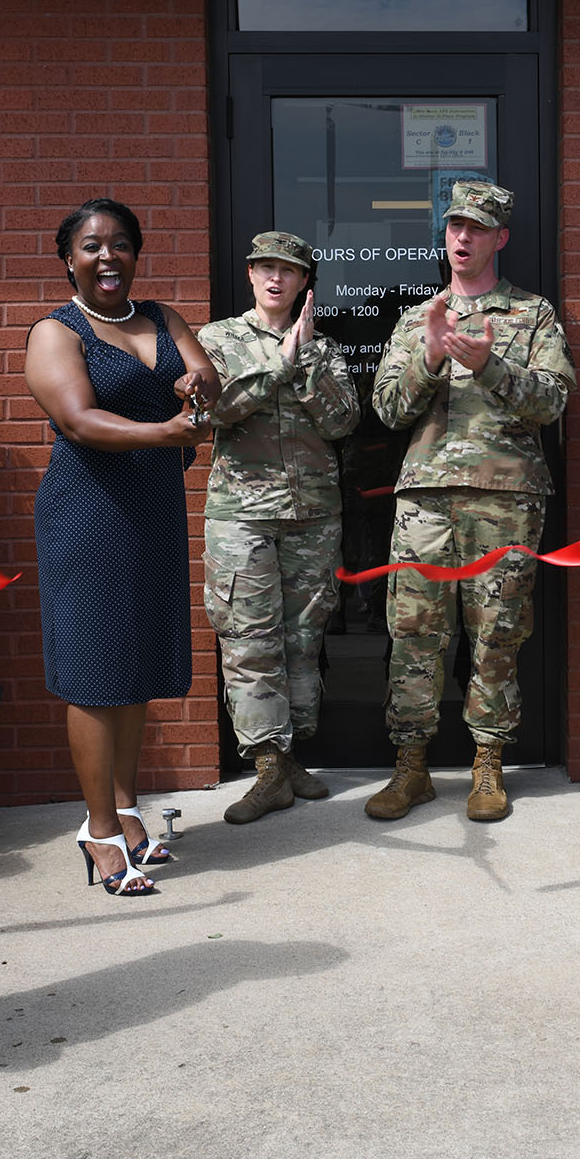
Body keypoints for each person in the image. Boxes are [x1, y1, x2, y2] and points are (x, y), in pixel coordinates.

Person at [365, 179, 573, 823]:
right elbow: (388, 409)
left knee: (497, 634)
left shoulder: (532, 315)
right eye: (454, 226)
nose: (462, 238)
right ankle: (412, 768)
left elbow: (554, 400)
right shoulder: (416, 318)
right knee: (415, 635)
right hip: (425, 502)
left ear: (499, 238)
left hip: (506, 500)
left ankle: (488, 765)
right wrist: (428, 357)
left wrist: (491, 367)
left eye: (476, 229)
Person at [25, 197, 217, 893]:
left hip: (154, 509)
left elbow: (205, 383)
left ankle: (130, 811)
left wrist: (200, 383)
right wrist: (168, 433)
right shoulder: (56, 332)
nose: (108, 256)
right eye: (91, 246)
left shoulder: (164, 318)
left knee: (135, 666)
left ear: (137, 254)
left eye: (120, 245)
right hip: (90, 513)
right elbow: (79, 420)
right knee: (95, 672)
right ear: (68, 259)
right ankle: (99, 832)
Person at [198, 231, 358, 825]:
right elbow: (211, 410)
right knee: (248, 639)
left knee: (301, 640)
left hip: (312, 513)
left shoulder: (326, 346)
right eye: (264, 266)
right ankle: (267, 767)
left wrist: (308, 358)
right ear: (249, 274)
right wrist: (277, 364)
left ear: (303, 282)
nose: (274, 278)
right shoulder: (215, 340)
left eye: (287, 270)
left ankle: (290, 758)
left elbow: (342, 421)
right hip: (241, 513)